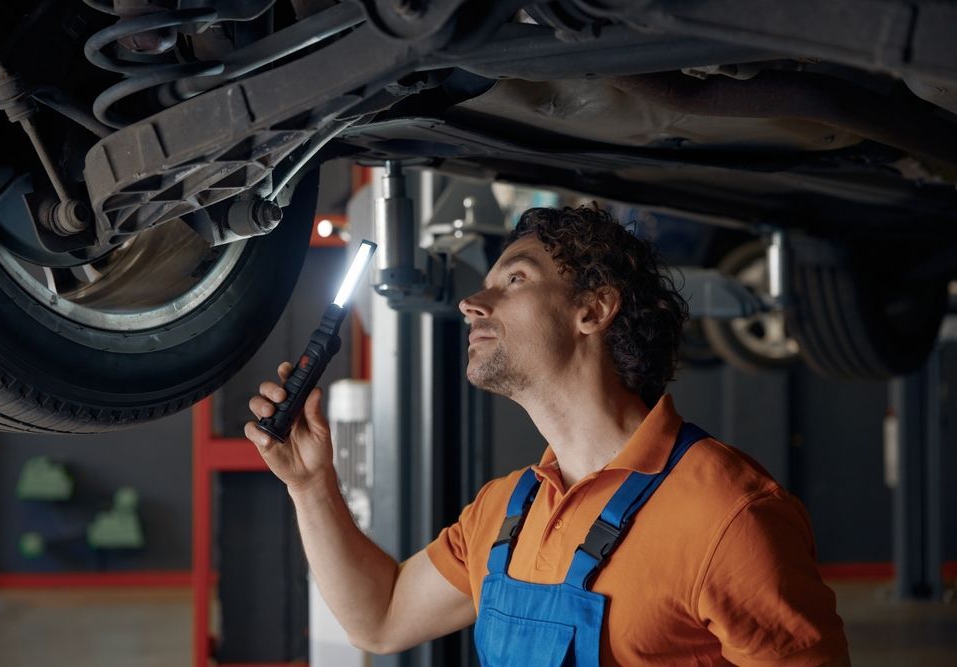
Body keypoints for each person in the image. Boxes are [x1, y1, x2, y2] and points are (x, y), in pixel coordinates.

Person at [245, 205, 851, 666]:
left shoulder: (728, 515)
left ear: (593, 311)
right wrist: (310, 483)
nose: (472, 304)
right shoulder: (506, 512)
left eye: (514, 280)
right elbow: (377, 618)